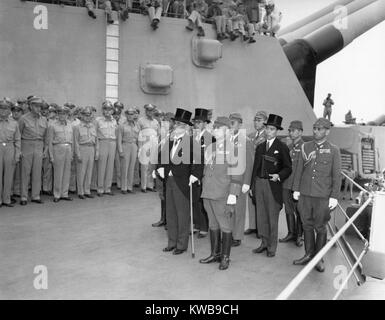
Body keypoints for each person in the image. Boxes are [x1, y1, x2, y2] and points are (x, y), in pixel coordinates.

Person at [292, 118, 341, 272]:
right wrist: (296, 189)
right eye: (314, 128)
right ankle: (308, 254)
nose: (316, 131)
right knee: (306, 224)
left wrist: (334, 196)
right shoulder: (305, 147)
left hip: (322, 196)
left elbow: (336, 176)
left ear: (327, 131)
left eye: (320, 129)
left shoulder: (334, 150)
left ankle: (318, 258)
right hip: (305, 194)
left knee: (320, 227)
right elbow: (299, 169)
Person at [199, 116, 244, 270]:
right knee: (212, 224)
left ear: (227, 130)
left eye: (219, 128)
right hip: (208, 191)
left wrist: (233, 195)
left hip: (222, 193)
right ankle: (215, 253)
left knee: (225, 225)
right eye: (215, 127)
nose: (215, 130)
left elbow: (237, 175)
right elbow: (207, 169)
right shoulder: (210, 148)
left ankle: (225, 257)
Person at [156, 108, 200, 255]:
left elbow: (198, 162)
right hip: (169, 180)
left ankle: (181, 245)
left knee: (182, 214)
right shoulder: (170, 141)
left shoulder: (192, 142)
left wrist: (195, 175)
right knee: (171, 213)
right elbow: (161, 157)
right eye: (176, 124)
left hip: (183, 182)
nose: (176, 127)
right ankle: (171, 242)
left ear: (187, 127)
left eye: (181, 125)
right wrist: (160, 168)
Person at [250, 114, 292, 257]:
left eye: (272, 129)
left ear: (277, 131)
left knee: (272, 217)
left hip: (272, 185)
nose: (269, 131)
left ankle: (272, 247)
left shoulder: (282, 147)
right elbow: (255, 167)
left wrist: (279, 175)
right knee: (261, 215)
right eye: (267, 128)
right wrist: (252, 186)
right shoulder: (261, 147)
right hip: (259, 183)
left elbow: (288, 168)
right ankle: (263, 242)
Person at [229, 112, 253, 247]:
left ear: (240, 124)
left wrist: (247, 182)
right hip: (228, 180)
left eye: (234, 122)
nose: (231, 125)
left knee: (239, 209)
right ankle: (229, 232)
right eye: (230, 122)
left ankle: (237, 236)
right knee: (229, 208)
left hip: (240, 180)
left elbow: (249, 163)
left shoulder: (246, 141)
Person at [19, 96, 48, 206]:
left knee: (37, 172)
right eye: (36, 106)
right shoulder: (23, 119)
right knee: (25, 172)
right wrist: (20, 150)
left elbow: (46, 137)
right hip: (27, 144)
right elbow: (18, 135)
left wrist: (45, 149)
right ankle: (23, 196)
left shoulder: (44, 119)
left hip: (39, 145)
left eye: (40, 106)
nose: (38, 108)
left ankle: (36, 196)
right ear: (30, 106)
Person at [279, 120, 305, 247]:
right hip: (286, 184)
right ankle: (291, 233)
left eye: (293, 130)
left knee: (299, 211)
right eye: (289, 130)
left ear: (300, 132)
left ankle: (299, 235)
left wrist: (298, 187)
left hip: (297, 185)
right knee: (288, 209)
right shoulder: (289, 147)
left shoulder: (304, 147)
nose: (290, 132)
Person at [191, 108, 215, 238]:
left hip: (203, 172)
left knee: (202, 201)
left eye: (199, 122)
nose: (197, 125)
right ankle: (196, 224)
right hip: (192, 171)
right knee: (194, 199)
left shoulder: (210, 138)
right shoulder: (192, 137)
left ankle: (204, 227)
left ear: (205, 123)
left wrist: (201, 174)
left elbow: (209, 158)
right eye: (195, 122)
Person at [244, 110, 267, 236]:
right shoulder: (251, 135)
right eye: (255, 120)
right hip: (249, 170)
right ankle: (253, 225)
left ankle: (261, 228)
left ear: (265, 121)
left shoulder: (267, 136)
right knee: (250, 198)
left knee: (260, 200)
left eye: (259, 120)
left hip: (260, 171)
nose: (256, 122)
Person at [47, 106, 74, 202]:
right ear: (58, 114)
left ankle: (64, 194)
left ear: (67, 115)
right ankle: (57, 194)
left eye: (65, 113)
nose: (63, 115)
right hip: (58, 148)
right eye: (61, 113)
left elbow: (72, 141)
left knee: (67, 172)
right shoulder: (52, 125)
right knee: (58, 173)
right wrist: (51, 155)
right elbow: (49, 142)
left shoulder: (70, 125)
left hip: (68, 148)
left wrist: (72, 153)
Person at [73, 106, 99, 199]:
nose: (87, 117)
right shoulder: (77, 127)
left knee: (89, 171)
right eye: (85, 115)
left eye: (89, 115)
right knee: (81, 171)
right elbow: (75, 141)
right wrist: (78, 153)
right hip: (82, 148)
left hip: (91, 149)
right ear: (82, 116)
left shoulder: (93, 126)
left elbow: (97, 140)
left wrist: (97, 152)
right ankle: (80, 192)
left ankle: (87, 190)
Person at [0, 100, 21, 208]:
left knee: (9, 175)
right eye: (1, 108)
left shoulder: (14, 123)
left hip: (10, 148)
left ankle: (6, 199)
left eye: (6, 108)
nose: (4, 110)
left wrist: (17, 154)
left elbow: (17, 140)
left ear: (10, 111)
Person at [95, 101, 118, 196]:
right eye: (105, 109)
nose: (107, 111)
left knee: (110, 166)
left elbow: (116, 134)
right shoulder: (98, 120)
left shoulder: (114, 121)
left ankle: (107, 188)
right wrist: (97, 148)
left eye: (109, 109)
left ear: (112, 111)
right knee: (101, 166)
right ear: (102, 110)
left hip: (112, 143)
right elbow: (95, 135)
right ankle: (100, 189)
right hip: (102, 142)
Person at [137, 104, 159, 192]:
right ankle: (143, 186)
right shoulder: (141, 121)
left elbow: (158, 134)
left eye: (152, 110)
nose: (150, 112)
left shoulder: (156, 122)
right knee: (144, 166)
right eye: (148, 110)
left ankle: (150, 185)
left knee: (152, 167)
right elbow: (138, 134)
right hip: (144, 146)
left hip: (154, 146)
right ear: (145, 111)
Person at [117, 107, 140, 194]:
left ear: (134, 115)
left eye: (132, 114)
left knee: (132, 168)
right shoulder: (122, 125)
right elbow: (119, 139)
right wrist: (120, 151)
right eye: (129, 114)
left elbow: (138, 139)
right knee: (124, 168)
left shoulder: (137, 125)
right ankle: (124, 187)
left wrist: (138, 149)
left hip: (134, 146)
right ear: (126, 115)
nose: (130, 116)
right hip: (125, 145)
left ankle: (130, 187)